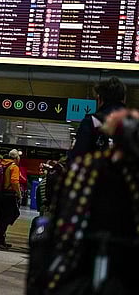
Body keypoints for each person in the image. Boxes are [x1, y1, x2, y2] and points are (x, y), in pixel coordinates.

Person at [28, 109, 139, 295]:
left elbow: (67, 215)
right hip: (126, 263)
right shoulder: (132, 173)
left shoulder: (86, 166)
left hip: (82, 257)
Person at [68, 76, 126, 161]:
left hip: (100, 172)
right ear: (124, 99)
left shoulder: (92, 122)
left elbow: (77, 156)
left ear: (99, 99)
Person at [0, 149, 22, 249]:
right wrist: (19, 193)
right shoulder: (14, 167)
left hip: (0, 194)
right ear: (16, 157)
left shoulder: (2, 164)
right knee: (7, 218)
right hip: (9, 195)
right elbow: (14, 181)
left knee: (1, 218)